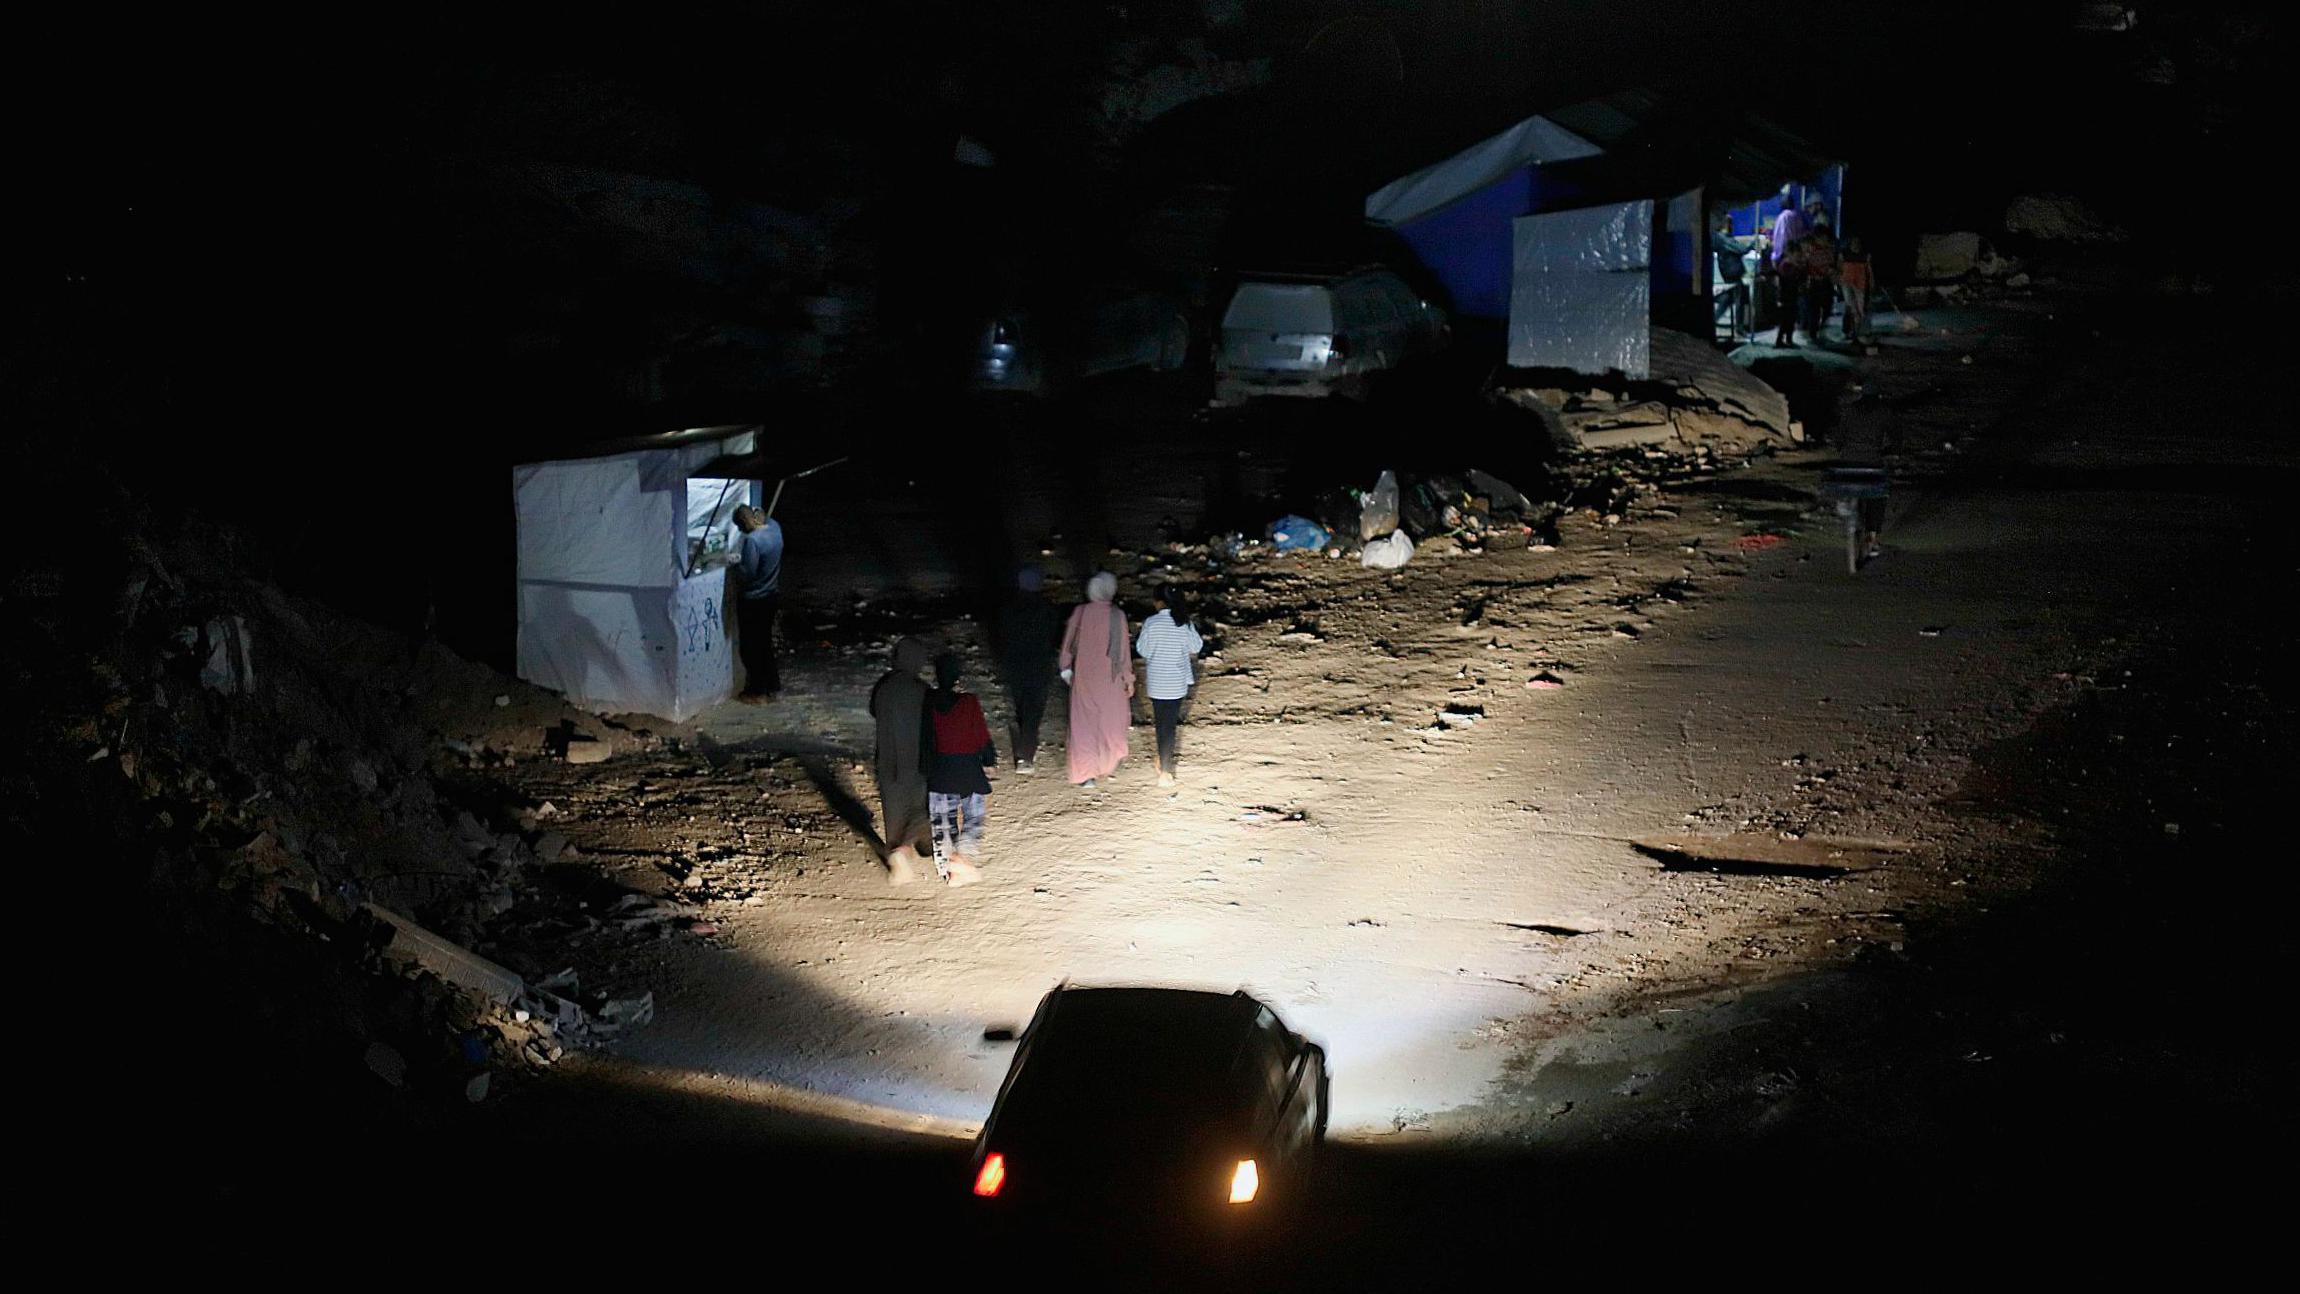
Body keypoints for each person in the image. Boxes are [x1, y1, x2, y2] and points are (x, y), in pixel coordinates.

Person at [922, 652, 994, 886]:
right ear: (956, 677)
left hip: (940, 770)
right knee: (974, 817)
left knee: (942, 822)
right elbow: (982, 738)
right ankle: (962, 857)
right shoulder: (969, 702)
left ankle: (946, 870)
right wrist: (987, 756)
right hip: (968, 770)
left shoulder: (928, 702)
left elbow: (925, 739)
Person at [1057, 571, 1133, 789]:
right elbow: (1122, 653)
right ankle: (1104, 764)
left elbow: (1068, 644)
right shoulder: (1117, 616)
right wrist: (1128, 679)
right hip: (1110, 680)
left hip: (1084, 679)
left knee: (1084, 727)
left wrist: (1065, 669)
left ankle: (1086, 773)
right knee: (1111, 724)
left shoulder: (1080, 612)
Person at [870, 637, 936, 884]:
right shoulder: (921, 690)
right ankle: (906, 847)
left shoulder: (883, 686)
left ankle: (899, 852)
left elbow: (873, 711)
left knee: (894, 809)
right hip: (914, 757)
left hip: (887, 756)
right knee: (922, 807)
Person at [1134, 584, 1204, 790]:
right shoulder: (1184, 622)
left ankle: (1164, 765)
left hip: (1157, 683)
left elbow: (1143, 650)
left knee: (1160, 724)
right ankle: (1165, 766)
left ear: (1158, 602)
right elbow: (1196, 647)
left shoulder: (1151, 622)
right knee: (1170, 725)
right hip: (1177, 683)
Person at [992, 565, 1060, 774]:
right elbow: (1054, 637)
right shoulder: (1046, 609)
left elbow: (1001, 638)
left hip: (1016, 665)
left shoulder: (1008, 608)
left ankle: (1024, 746)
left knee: (1022, 706)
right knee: (1034, 710)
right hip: (1039, 665)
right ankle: (1025, 755)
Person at [730, 505, 784, 700]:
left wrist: (735, 565)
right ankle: (773, 685)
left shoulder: (753, 541)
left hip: (753, 599)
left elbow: (748, 573)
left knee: (750, 647)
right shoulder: (775, 529)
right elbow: (766, 517)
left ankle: (758, 689)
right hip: (771, 595)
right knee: (764, 643)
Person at [1839, 235, 1873, 343]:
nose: (1855, 243)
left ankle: (1857, 332)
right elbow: (1839, 267)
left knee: (1860, 309)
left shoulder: (1865, 255)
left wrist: (1871, 281)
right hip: (1847, 283)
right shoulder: (1844, 253)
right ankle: (1849, 331)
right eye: (1853, 241)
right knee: (1850, 307)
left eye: (1857, 241)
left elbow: (1869, 269)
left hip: (1860, 284)